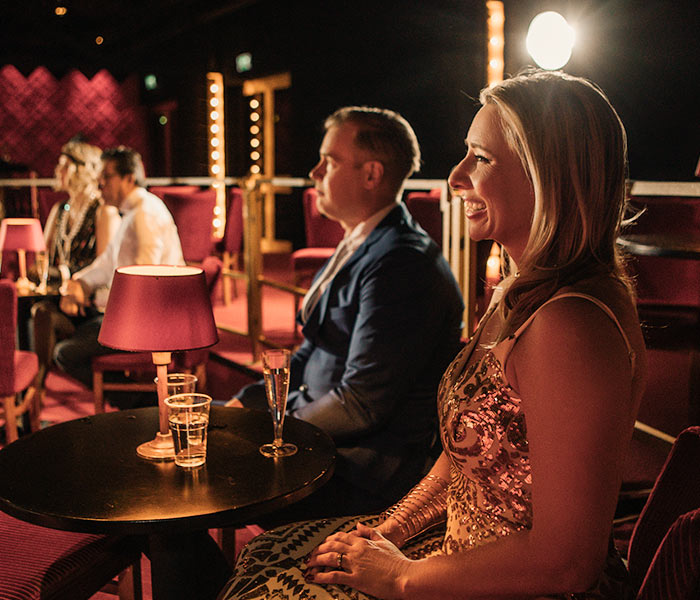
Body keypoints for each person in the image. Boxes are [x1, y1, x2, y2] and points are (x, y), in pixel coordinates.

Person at [218, 70, 648, 600]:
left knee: (262, 583)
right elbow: (462, 461)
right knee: (262, 555)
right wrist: (387, 530)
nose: (455, 176)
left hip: (517, 586)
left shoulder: (570, 325)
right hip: (463, 553)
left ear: (549, 176)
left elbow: (567, 563)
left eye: (480, 158)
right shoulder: (520, 291)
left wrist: (399, 576)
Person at [230, 106, 465, 520]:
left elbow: (361, 404)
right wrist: (247, 403)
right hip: (319, 432)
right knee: (198, 444)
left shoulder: (402, 263)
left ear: (371, 175)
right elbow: (314, 348)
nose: (315, 172)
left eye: (330, 161)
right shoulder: (364, 239)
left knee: (202, 481)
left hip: (362, 468)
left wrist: (273, 429)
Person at [52, 146, 185, 389]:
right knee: (71, 331)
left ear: (129, 178)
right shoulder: (131, 212)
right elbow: (106, 264)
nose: (99, 183)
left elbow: (145, 281)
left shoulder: (145, 214)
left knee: (64, 352)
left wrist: (94, 298)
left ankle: (141, 401)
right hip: (135, 314)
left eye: (106, 176)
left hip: (151, 321)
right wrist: (78, 283)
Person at [31, 137, 121, 384]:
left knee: (41, 314)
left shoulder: (103, 211)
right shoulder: (60, 210)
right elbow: (42, 258)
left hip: (91, 302)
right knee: (33, 309)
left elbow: (104, 267)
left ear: (84, 169)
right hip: (63, 296)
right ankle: (31, 384)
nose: (56, 170)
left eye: (64, 165)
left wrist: (69, 281)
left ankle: (36, 386)